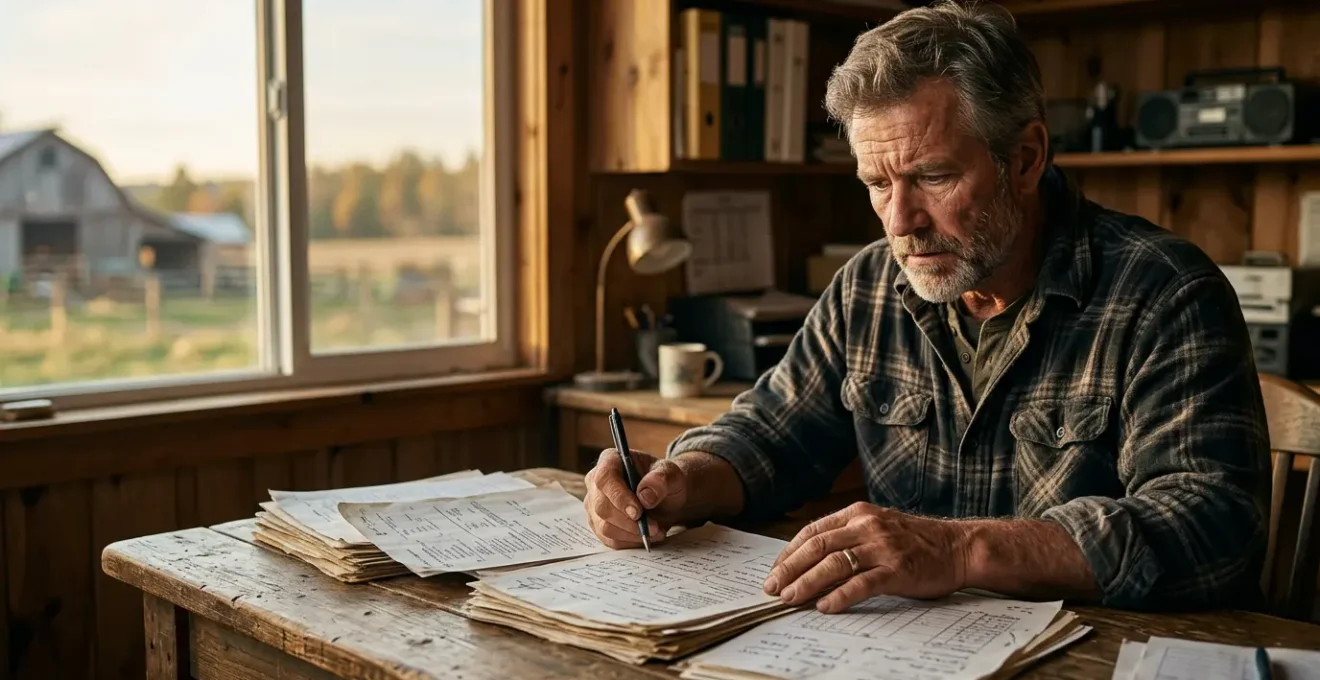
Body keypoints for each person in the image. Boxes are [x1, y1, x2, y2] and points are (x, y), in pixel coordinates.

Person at [583, 0, 1271, 614]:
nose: (901, 221)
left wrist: (959, 550)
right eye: (876, 183)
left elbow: (1209, 528)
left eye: (932, 176)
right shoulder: (870, 287)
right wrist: (678, 482)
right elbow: (770, 434)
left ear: (1026, 159)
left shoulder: (1164, 292)